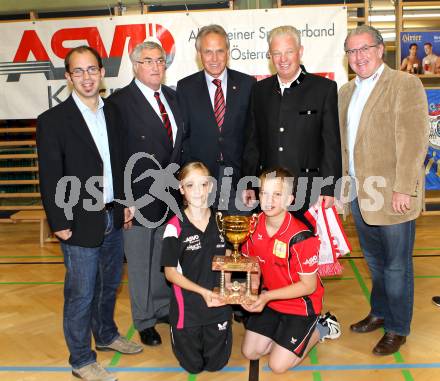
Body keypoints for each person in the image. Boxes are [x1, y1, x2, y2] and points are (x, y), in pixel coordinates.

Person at [37, 46, 142, 381]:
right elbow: (50, 175)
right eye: (78, 71)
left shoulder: (112, 112)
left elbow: (122, 161)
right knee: (81, 292)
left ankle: (107, 334)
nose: (86, 77)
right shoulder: (53, 121)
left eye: (92, 69)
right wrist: (60, 222)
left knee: (109, 284)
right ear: (68, 77)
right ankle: (81, 359)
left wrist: (126, 202)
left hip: (113, 214)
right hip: (78, 220)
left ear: (101, 72)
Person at [339, 25, 429, 356]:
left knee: (396, 266)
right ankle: (380, 312)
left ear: (380, 49)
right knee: (375, 262)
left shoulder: (405, 84)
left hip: (394, 195)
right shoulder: (346, 92)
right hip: (362, 194)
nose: (358, 56)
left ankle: (397, 327)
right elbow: (347, 147)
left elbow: (414, 141)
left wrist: (404, 188)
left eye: (364, 49)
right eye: (352, 51)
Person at [107, 41, 183, 347]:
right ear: (135, 65)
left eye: (160, 61)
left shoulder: (174, 98)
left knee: (164, 257)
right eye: (148, 60)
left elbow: (180, 145)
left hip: (171, 197)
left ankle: (162, 307)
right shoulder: (119, 103)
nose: (155, 66)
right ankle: (144, 320)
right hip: (137, 198)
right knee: (139, 263)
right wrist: (123, 200)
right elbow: (115, 156)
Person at [240, 168, 341, 374]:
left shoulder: (301, 237)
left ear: (289, 199)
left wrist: (266, 296)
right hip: (272, 301)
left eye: (277, 195)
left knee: (277, 366)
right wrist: (252, 289)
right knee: (250, 352)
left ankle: (322, 326)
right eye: (264, 193)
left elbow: (308, 286)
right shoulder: (253, 225)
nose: (269, 200)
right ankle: (282, 336)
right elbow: (252, 262)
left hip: (300, 306)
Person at [242, 25, 341, 225]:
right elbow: (252, 142)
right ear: (270, 55)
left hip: (310, 192)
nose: (283, 59)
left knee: (307, 250)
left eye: (289, 52)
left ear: (300, 52)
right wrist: (250, 184)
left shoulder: (323, 89)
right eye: (277, 53)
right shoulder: (259, 91)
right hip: (270, 194)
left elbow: (331, 144)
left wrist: (329, 188)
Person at [161, 161, 233, 374]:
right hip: (188, 311)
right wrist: (203, 292)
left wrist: (227, 286)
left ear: (210, 187)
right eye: (190, 185)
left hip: (218, 308)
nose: (198, 191)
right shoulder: (174, 226)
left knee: (215, 366)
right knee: (193, 367)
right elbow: (170, 273)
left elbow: (229, 256)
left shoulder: (222, 220)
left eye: (203, 184)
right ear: (181, 189)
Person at [177, 24, 256, 212]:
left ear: (228, 52)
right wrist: (189, 182)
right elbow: (184, 139)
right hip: (200, 183)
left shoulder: (247, 84)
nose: (214, 58)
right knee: (205, 239)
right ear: (199, 54)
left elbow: (252, 138)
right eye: (208, 52)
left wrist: (250, 182)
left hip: (238, 181)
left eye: (220, 51)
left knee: (238, 239)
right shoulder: (185, 88)